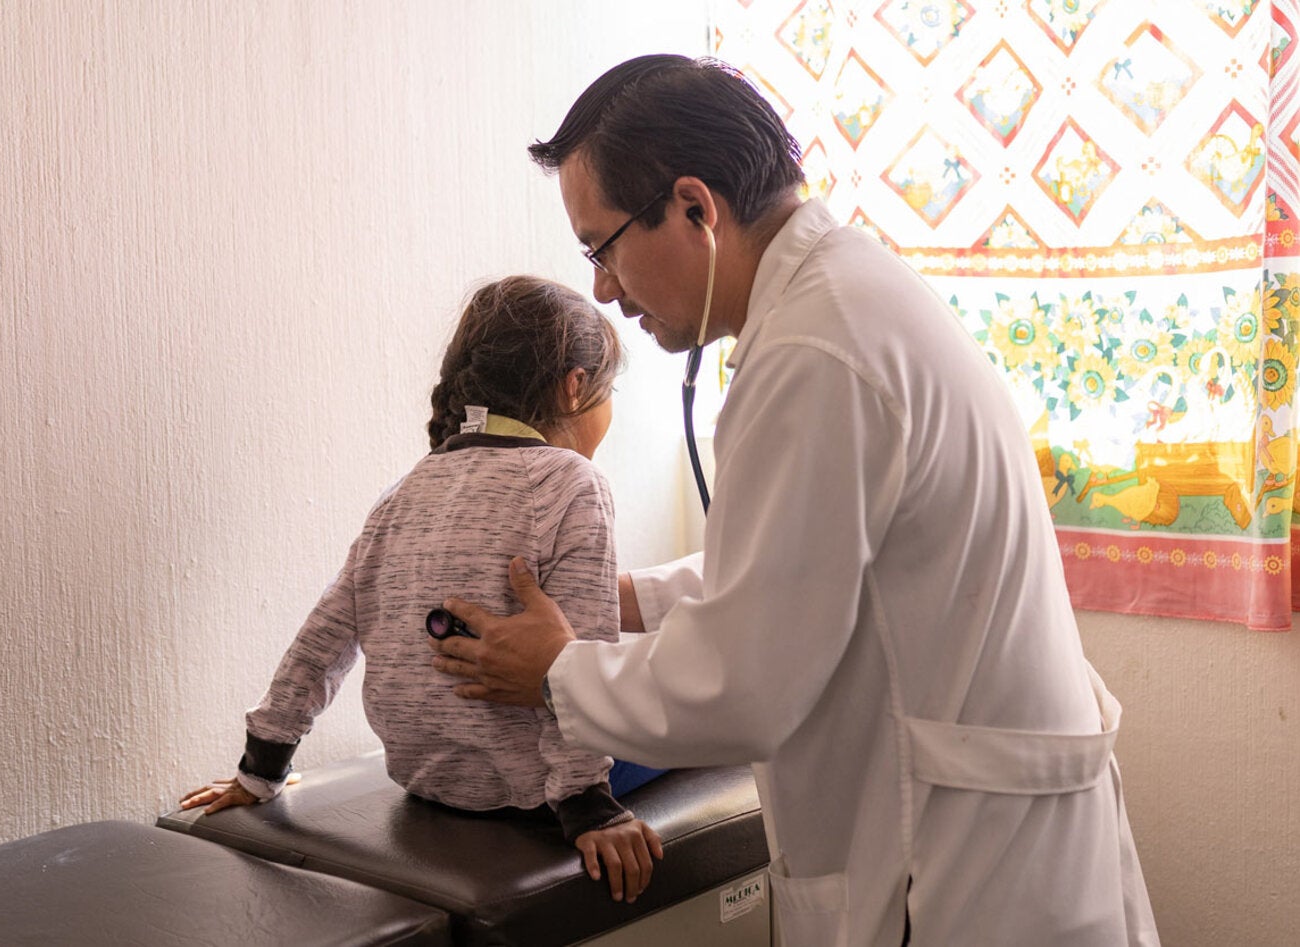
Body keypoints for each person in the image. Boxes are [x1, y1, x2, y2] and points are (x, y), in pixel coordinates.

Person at [429, 56, 1159, 945]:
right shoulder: (847, 297)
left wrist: (556, 671)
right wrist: (627, 601)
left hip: (962, 869)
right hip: (996, 831)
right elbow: (818, 567)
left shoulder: (814, 352)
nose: (604, 290)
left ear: (695, 209)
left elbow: (744, 683)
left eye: (603, 247)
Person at [181, 275, 663, 904]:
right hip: (541, 792)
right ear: (575, 386)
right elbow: (583, 660)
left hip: (427, 778)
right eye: (609, 390)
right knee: (685, 707)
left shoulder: (404, 491)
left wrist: (262, 766)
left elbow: (324, 637)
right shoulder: (572, 482)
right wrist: (589, 807)